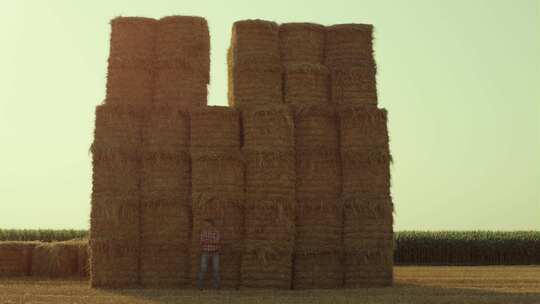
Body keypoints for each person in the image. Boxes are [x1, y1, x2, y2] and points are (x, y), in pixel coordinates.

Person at [197, 218, 221, 290]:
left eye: (207, 223)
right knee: (203, 269)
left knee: (216, 269)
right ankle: (200, 286)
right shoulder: (203, 232)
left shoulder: (216, 232)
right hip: (205, 253)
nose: (205, 225)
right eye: (205, 223)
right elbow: (201, 242)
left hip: (215, 253)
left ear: (211, 224)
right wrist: (212, 241)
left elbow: (217, 242)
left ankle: (216, 287)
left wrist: (207, 241)